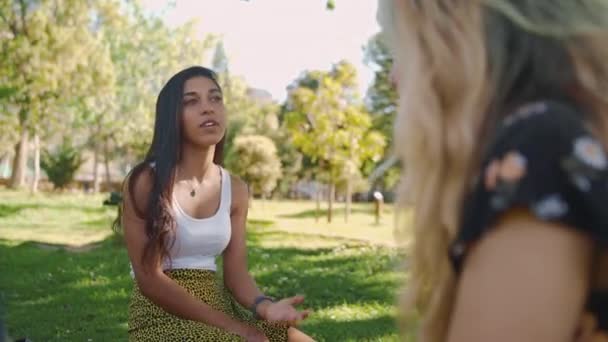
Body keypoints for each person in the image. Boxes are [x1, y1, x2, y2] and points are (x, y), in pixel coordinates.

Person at [377, 1, 608, 341]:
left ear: (451, 42)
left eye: (402, 49)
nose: (395, 77)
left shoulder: (540, 153)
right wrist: (272, 324)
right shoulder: (567, 140)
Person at [114, 66, 314, 341]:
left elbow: (236, 274)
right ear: (172, 118)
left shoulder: (236, 189)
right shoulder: (146, 181)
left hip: (219, 304)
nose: (208, 108)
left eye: (215, 98)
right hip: (160, 313)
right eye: (191, 101)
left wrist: (265, 308)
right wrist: (236, 328)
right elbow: (149, 279)